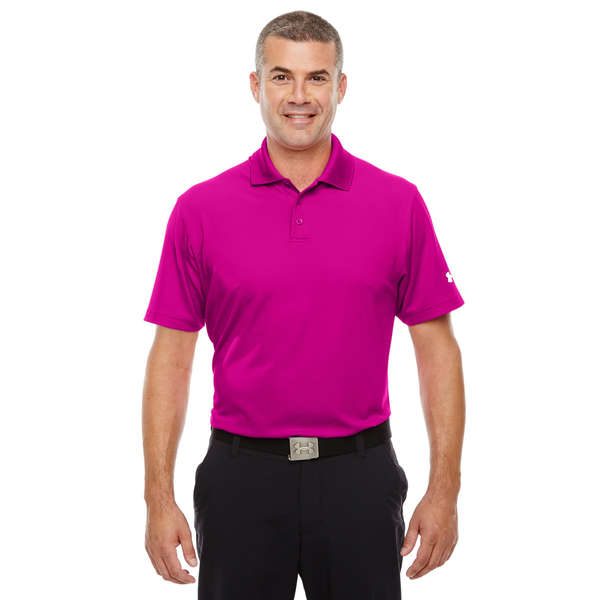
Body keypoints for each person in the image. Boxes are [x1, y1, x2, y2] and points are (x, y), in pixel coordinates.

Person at [142, 10, 465, 599]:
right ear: (255, 85)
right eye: (281, 76)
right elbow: (170, 358)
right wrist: (157, 497)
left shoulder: (398, 203)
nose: (299, 96)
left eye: (316, 77)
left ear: (341, 86)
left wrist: (445, 489)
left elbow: (437, 351)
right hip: (240, 478)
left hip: (359, 477)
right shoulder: (200, 210)